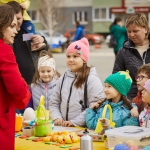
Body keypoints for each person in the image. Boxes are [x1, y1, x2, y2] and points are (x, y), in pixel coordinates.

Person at [49, 37, 105, 127]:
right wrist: (57, 117)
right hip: (64, 128)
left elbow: (96, 106)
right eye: (68, 56)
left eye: (75, 56)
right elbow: (54, 102)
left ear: (84, 60)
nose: (71, 59)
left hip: (84, 129)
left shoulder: (92, 79)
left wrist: (75, 122)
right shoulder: (63, 78)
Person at [0, 4, 31, 150]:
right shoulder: (4, 50)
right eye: (12, 26)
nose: (16, 30)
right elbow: (18, 89)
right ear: (2, 25)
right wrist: (26, 93)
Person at [7, 1, 48, 85]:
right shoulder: (4, 37)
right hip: (13, 85)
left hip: (34, 83)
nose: (16, 22)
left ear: (23, 17)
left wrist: (42, 40)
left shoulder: (28, 33)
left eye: (18, 18)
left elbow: (44, 52)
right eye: (13, 18)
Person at [112, 13, 150, 100]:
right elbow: (117, 78)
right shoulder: (123, 51)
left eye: (135, 31)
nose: (131, 35)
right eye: (129, 31)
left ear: (146, 29)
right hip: (132, 101)